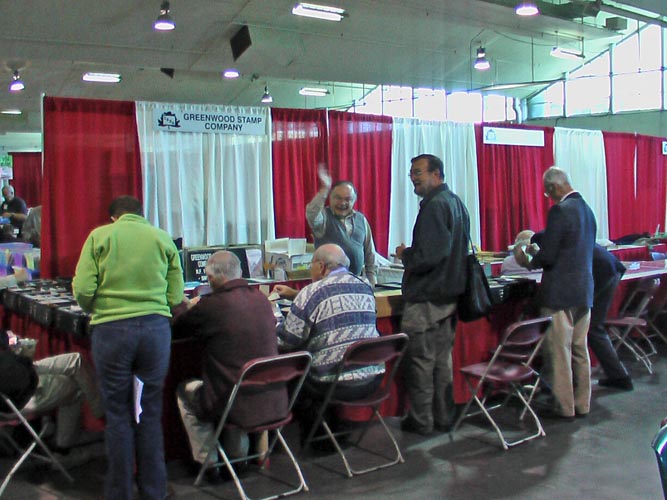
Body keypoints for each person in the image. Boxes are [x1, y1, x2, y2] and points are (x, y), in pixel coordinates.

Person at [73, 195, 184, 500]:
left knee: (119, 414)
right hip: (155, 331)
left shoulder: (100, 237)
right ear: (141, 215)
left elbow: (82, 289)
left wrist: (98, 306)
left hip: (111, 330)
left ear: (114, 218)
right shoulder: (162, 238)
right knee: (150, 411)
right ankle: (154, 489)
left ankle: (118, 492)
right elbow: (176, 296)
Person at [173, 251, 286, 482]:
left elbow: (178, 328)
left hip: (234, 403)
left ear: (212, 279)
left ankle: (208, 463)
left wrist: (185, 306)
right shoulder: (262, 300)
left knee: (185, 391)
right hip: (275, 400)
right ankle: (238, 459)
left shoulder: (210, 307)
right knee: (235, 380)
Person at [394, 153, 470, 436]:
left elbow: (430, 255)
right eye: (411, 173)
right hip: (449, 299)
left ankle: (421, 420)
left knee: (421, 363)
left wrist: (405, 255)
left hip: (426, 299)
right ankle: (443, 416)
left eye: (418, 172)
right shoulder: (456, 203)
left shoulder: (434, 207)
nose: (413, 178)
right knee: (442, 362)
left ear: (436, 173)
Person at [274, 244, 384, 430]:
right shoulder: (365, 287)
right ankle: (331, 432)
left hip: (333, 382)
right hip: (373, 378)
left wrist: (274, 320)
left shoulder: (312, 292)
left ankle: (314, 439)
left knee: (294, 376)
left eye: (311, 265)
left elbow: (286, 340)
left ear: (321, 266)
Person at [519, 167, 597, 420]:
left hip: (559, 294)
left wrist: (529, 257)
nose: (548, 197)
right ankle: (583, 403)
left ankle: (564, 407)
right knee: (579, 349)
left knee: (559, 353)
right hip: (584, 291)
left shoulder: (560, 210)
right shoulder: (588, 210)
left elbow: (549, 256)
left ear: (553, 188)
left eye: (547, 192)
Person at [0, 330, 104, 450]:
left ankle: (54, 430)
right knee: (76, 385)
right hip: (17, 396)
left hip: (20, 376)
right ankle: (64, 447)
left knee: (76, 362)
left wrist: (13, 341)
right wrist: (16, 344)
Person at [305, 165, 377, 287]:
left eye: (348, 199)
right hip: (327, 286)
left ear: (354, 200)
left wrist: (372, 281)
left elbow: (370, 254)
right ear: (330, 198)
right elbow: (311, 213)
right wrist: (324, 190)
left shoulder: (361, 219)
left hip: (356, 284)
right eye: (338, 198)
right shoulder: (323, 218)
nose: (342, 203)